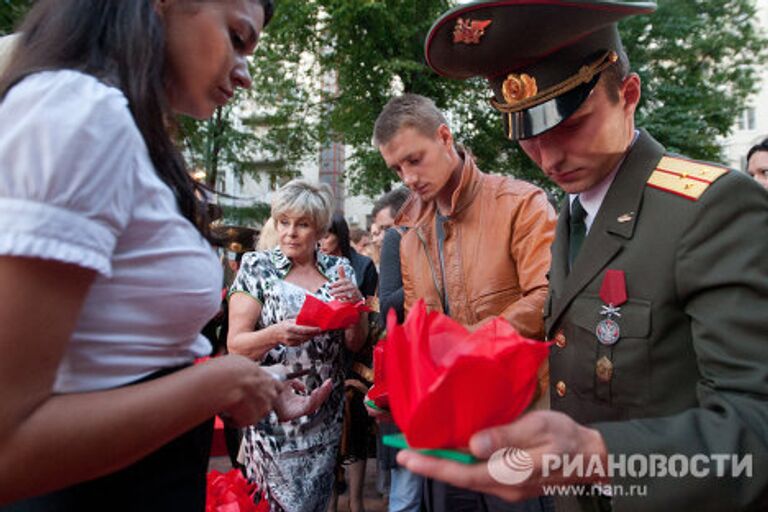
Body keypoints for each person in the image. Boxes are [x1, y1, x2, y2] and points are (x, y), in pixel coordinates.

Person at [398, 1, 768, 511]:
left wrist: (598, 455)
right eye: (527, 136)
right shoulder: (572, 216)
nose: (549, 158)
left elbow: (757, 427)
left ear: (628, 96)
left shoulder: (712, 209)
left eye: (571, 126)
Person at [0, 1, 333, 509]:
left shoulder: (110, 119)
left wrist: (241, 384)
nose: (244, 75)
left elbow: (121, 359)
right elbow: (10, 444)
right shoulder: (81, 112)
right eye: (238, 38)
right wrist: (219, 381)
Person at [372, 93, 556, 512]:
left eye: (414, 159)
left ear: (444, 137)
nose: (408, 177)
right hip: (447, 433)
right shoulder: (409, 234)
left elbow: (548, 298)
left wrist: (467, 345)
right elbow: (420, 327)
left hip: (518, 421)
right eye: (398, 168)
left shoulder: (520, 204)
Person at [227, 179, 368, 512]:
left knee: (315, 502)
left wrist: (357, 307)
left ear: (319, 230)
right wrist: (275, 334)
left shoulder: (340, 270)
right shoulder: (257, 268)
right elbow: (236, 345)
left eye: (302, 224)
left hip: (325, 412)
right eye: (284, 222)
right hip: (273, 412)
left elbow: (354, 342)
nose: (290, 232)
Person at [320, 212, 378, 512]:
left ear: (340, 235)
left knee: (354, 431)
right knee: (326, 436)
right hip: (323, 357)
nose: (322, 242)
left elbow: (373, 314)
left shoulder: (363, 265)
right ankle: (328, 501)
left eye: (327, 235)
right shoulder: (314, 265)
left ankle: (356, 502)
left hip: (357, 360)